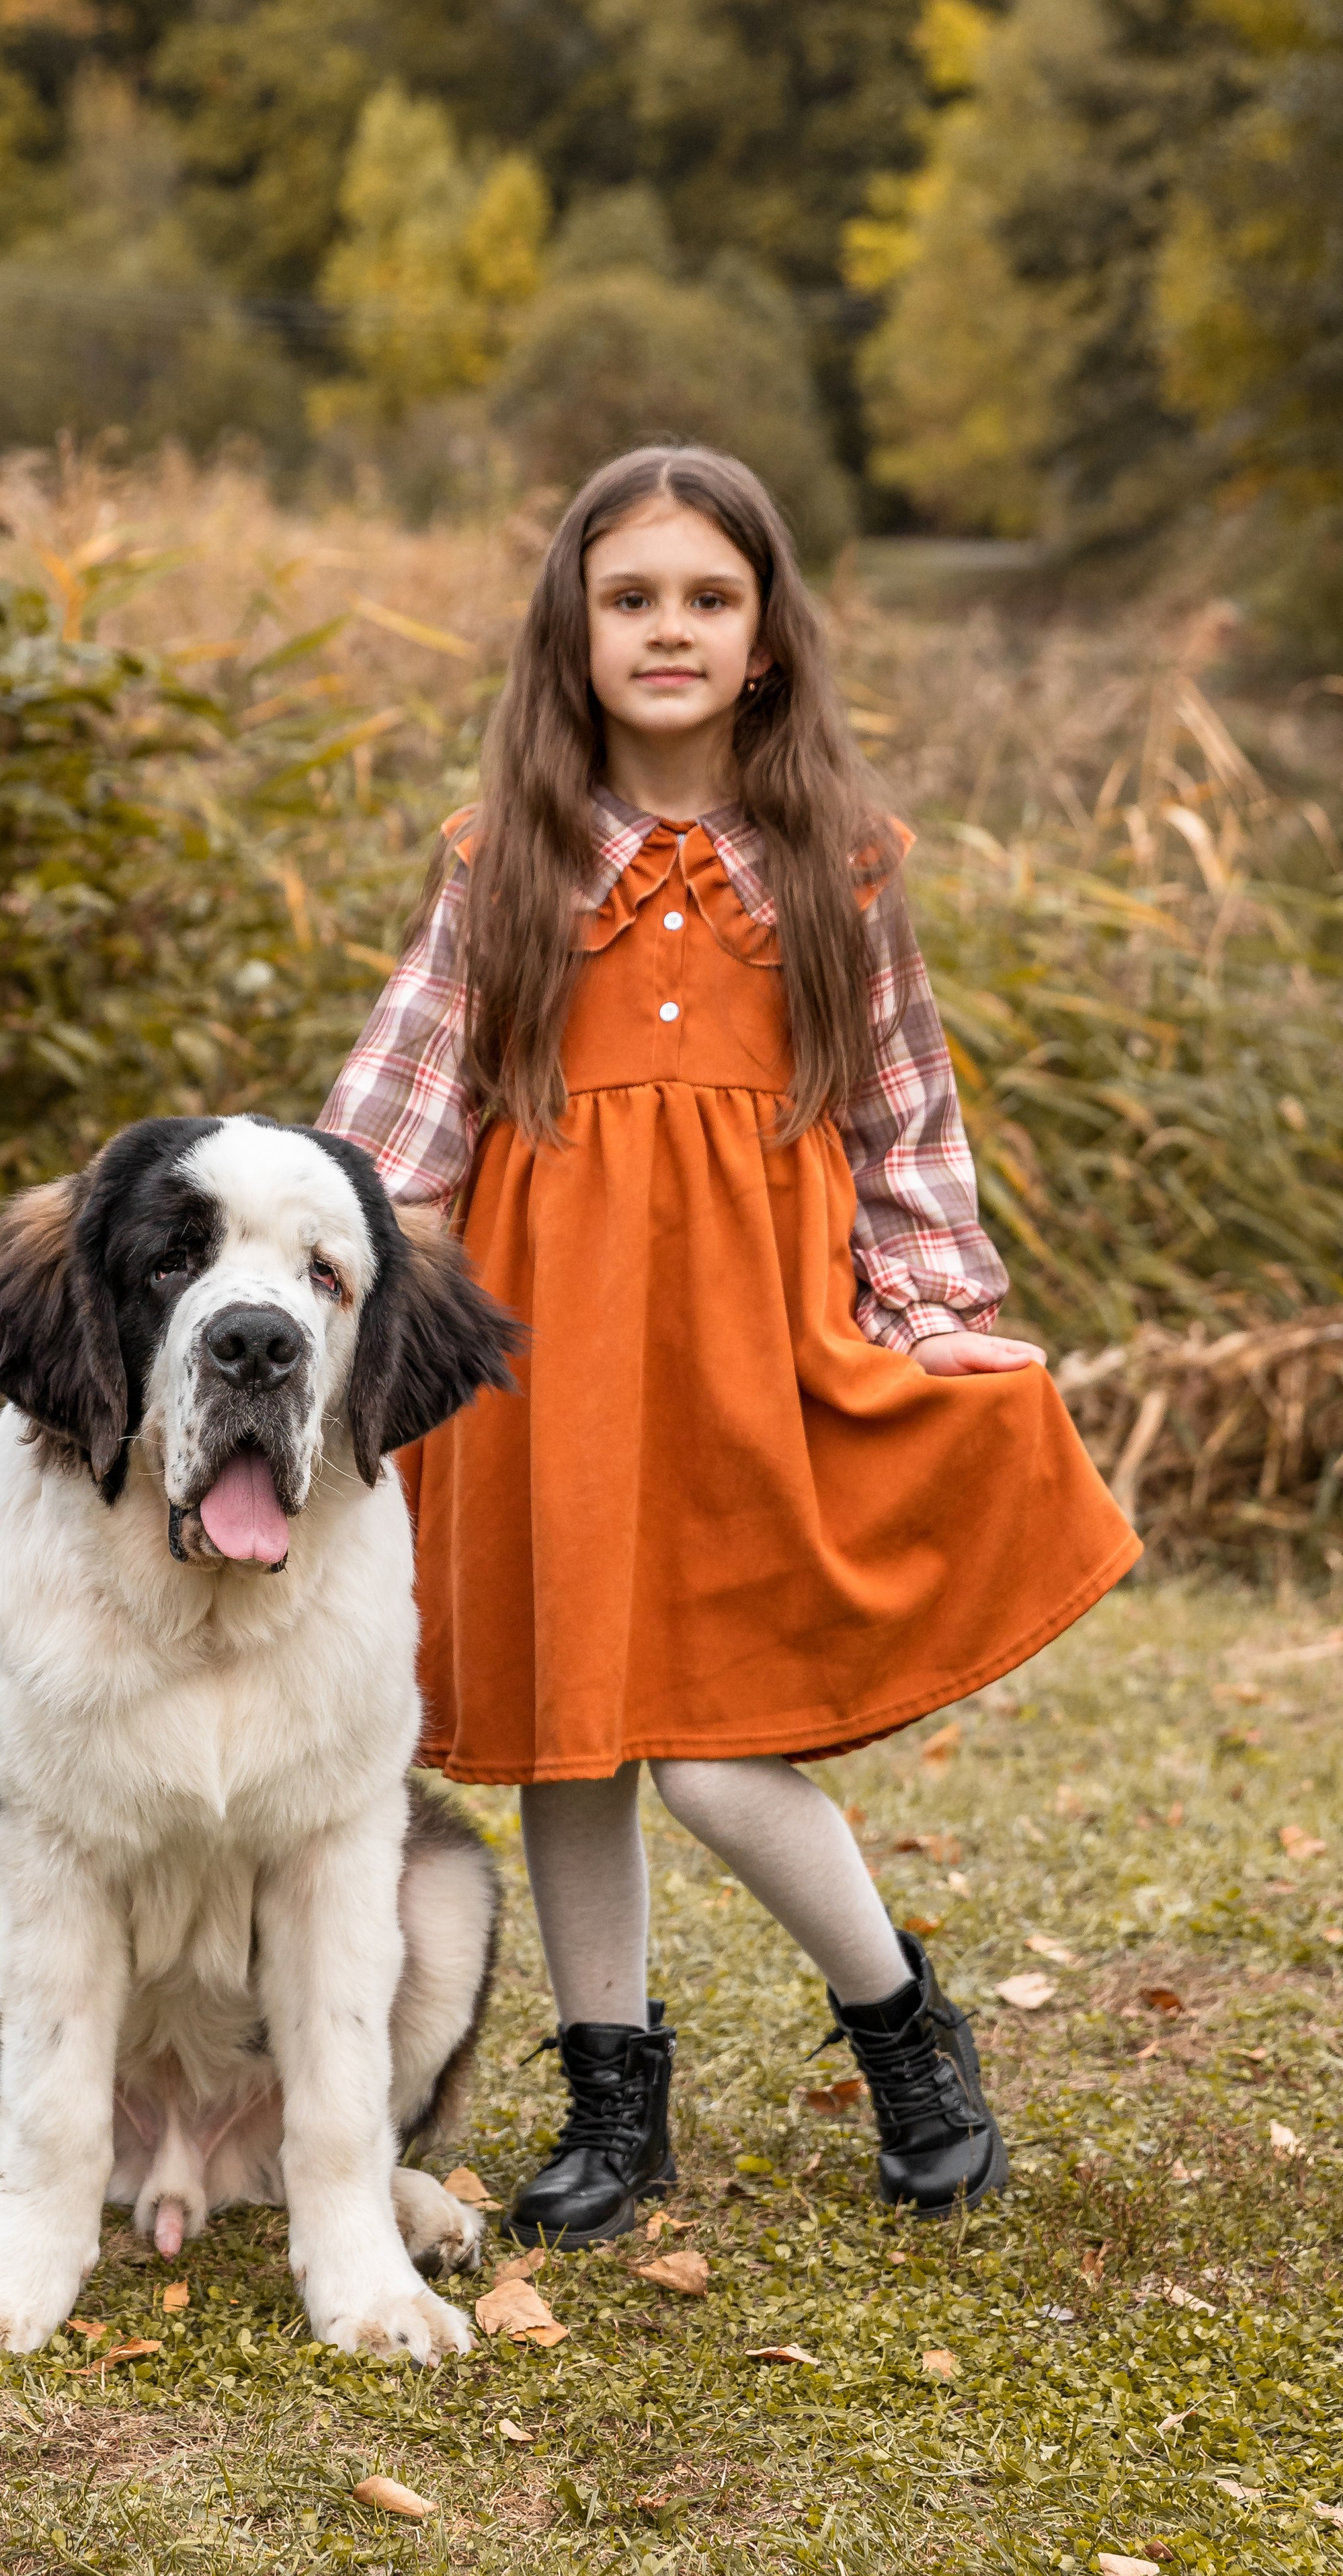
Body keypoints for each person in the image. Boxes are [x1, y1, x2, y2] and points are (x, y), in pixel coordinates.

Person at [317, 444, 1139, 2246]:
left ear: (765, 636)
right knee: (573, 1736)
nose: (668, 630)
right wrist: (325, 1298)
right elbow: (392, 1129)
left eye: (707, 597)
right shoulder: (505, 864)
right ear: (575, 632)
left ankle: (903, 2029)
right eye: (631, 600)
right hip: (554, 1368)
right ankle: (613, 2101)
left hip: (755, 1359)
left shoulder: (837, 869)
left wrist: (940, 1323)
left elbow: (907, 1127)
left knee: (715, 1749)